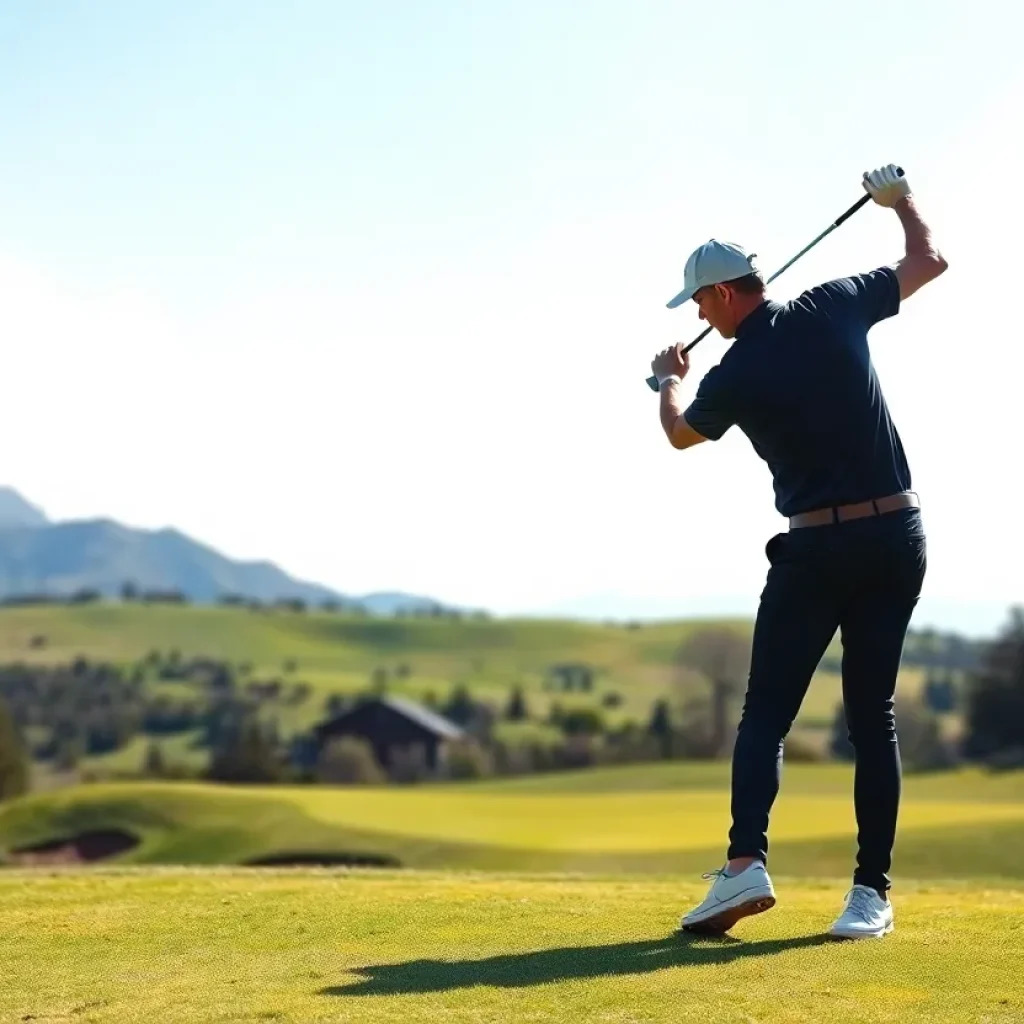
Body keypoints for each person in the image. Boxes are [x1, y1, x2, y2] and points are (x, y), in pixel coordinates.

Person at [649, 164, 948, 940]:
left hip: (819, 549)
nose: (701, 314)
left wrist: (665, 381)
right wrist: (901, 203)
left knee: (765, 718)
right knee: (871, 718)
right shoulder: (834, 302)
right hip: (897, 536)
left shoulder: (734, 370)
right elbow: (928, 261)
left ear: (718, 299)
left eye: (700, 302)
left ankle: (744, 867)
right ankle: (869, 897)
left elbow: (681, 436)